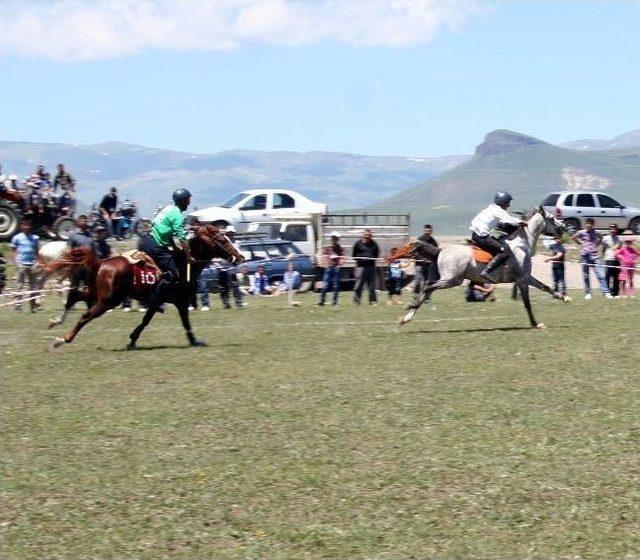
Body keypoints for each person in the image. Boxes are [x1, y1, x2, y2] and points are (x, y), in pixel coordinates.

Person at [139, 188, 193, 310]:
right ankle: (154, 300)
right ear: (183, 201)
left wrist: (174, 248)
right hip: (156, 246)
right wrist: (189, 256)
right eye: (188, 200)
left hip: (146, 241)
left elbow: (164, 230)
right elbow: (182, 238)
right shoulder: (177, 215)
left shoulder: (168, 209)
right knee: (173, 274)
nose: (189, 203)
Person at [470, 191, 524, 281]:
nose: (509, 205)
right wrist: (522, 222)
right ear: (503, 202)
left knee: (497, 244)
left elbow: (503, 221)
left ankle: (499, 265)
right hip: (482, 236)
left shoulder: (491, 208)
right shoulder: (498, 210)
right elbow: (509, 220)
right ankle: (486, 272)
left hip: (476, 234)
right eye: (508, 203)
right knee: (505, 250)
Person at [571, 218, 613, 300]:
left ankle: (606, 292)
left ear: (593, 224)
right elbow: (573, 237)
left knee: (600, 274)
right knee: (586, 276)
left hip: (594, 256)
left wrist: (597, 244)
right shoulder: (581, 232)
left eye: (590, 223)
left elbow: (601, 238)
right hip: (584, 256)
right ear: (585, 224)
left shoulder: (597, 232)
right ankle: (588, 293)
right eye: (587, 223)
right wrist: (580, 244)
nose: (589, 225)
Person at [10, 219, 42, 312]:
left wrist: (38, 261)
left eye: (28, 225)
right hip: (21, 264)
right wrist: (15, 262)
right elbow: (12, 250)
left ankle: (33, 307)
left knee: (33, 286)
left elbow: (37, 250)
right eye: (25, 225)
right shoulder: (17, 237)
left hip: (32, 264)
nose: (27, 227)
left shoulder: (35, 237)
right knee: (19, 286)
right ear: (21, 227)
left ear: (30, 226)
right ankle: (18, 307)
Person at [218, 226, 245, 309]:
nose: (231, 234)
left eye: (232, 233)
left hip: (232, 266)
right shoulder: (220, 242)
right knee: (223, 287)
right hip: (221, 266)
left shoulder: (236, 242)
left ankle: (239, 303)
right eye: (229, 233)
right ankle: (226, 304)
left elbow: (238, 253)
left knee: (235, 285)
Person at [352, 228, 380, 305]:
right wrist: (361, 257)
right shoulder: (358, 244)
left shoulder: (374, 244)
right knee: (358, 284)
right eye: (366, 236)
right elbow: (354, 255)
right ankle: (357, 301)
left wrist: (370, 258)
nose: (367, 237)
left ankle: (372, 301)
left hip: (371, 267)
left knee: (371, 285)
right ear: (363, 235)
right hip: (360, 267)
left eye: (369, 236)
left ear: (371, 236)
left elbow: (376, 255)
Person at [318, 231, 344, 306]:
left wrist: (340, 264)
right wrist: (325, 264)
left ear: (338, 239)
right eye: (333, 238)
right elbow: (324, 257)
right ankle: (322, 301)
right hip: (328, 268)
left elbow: (342, 258)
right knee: (324, 285)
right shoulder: (328, 248)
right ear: (331, 238)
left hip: (336, 268)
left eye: (336, 238)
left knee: (335, 286)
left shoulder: (340, 248)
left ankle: (335, 302)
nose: (334, 239)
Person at [413, 224, 439, 297]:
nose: (427, 232)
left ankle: (426, 297)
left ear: (431, 231)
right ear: (423, 231)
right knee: (418, 281)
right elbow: (414, 252)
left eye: (428, 231)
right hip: (419, 264)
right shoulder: (419, 240)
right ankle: (416, 295)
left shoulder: (433, 242)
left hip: (429, 265)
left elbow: (436, 253)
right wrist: (422, 259)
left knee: (427, 282)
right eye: (425, 231)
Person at [602, 224, 621, 297]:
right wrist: (605, 256)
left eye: (614, 229)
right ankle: (607, 292)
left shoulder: (619, 239)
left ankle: (615, 293)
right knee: (607, 276)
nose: (613, 230)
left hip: (616, 260)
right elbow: (603, 248)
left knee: (616, 277)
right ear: (609, 229)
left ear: (616, 230)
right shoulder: (605, 238)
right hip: (608, 259)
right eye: (611, 229)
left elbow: (620, 250)